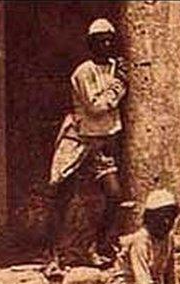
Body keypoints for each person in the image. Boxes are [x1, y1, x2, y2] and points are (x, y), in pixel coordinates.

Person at [44, 18, 128, 271]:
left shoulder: (116, 67)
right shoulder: (84, 71)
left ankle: (96, 246)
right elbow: (96, 107)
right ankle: (53, 257)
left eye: (109, 39)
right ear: (91, 44)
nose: (106, 44)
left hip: (102, 144)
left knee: (114, 196)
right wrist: (119, 85)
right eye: (100, 40)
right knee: (63, 197)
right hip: (79, 141)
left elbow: (110, 116)